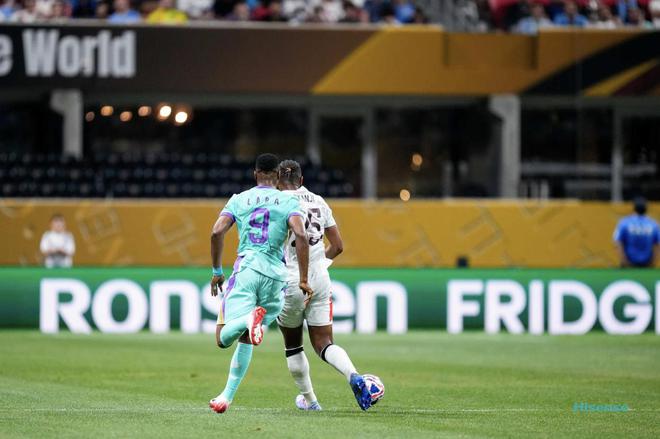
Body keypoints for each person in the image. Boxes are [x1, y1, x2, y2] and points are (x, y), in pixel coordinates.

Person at [208, 153, 312, 414]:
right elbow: (301, 234)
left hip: (248, 269)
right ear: (277, 175)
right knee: (247, 337)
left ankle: (247, 319)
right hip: (276, 277)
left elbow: (217, 231)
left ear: (255, 174)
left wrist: (217, 271)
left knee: (222, 338)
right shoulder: (288, 201)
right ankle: (226, 396)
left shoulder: (238, 199)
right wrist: (302, 279)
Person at [276, 159, 373, 412]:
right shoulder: (318, 201)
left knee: (293, 345)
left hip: (291, 278)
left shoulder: (277, 203)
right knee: (324, 343)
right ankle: (353, 375)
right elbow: (338, 246)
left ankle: (311, 402)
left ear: (277, 181)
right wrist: (319, 264)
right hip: (320, 277)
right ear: (301, 180)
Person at [613, 197, 659, 268]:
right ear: (646, 209)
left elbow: (617, 242)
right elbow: (658, 245)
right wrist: (653, 262)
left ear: (634, 208)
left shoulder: (625, 222)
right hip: (647, 264)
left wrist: (624, 260)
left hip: (629, 264)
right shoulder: (653, 224)